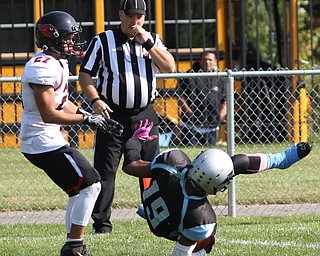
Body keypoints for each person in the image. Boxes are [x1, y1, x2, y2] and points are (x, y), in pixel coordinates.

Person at [122, 119, 312, 255]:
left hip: (157, 202)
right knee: (209, 235)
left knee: (235, 163)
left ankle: (282, 159)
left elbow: (131, 166)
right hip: (164, 226)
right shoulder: (200, 217)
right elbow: (179, 254)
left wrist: (136, 140)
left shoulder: (172, 162)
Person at [20, 11, 123, 256]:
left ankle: (73, 244)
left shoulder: (58, 62)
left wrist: (89, 114)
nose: (71, 42)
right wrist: (88, 119)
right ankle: (74, 246)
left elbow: (61, 102)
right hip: (40, 141)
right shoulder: (41, 66)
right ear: (51, 37)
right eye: (67, 37)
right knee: (91, 183)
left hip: (47, 139)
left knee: (79, 189)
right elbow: (49, 114)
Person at [78, 0, 176, 234]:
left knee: (152, 169)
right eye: (131, 16)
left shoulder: (152, 39)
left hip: (144, 115)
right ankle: (102, 225)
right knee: (106, 171)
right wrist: (95, 100)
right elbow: (85, 76)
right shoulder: (102, 41)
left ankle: (157, 219)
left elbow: (170, 68)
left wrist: (148, 42)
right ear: (121, 14)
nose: (136, 22)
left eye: (140, 17)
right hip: (112, 114)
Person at [178, 50, 226, 146]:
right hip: (190, 127)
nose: (207, 62)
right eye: (205, 59)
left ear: (215, 62)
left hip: (211, 127)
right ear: (200, 61)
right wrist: (190, 114)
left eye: (210, 59)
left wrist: (219, 117)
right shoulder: (189, 76)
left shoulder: (220, 79)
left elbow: (226, 101)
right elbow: (180, 97)